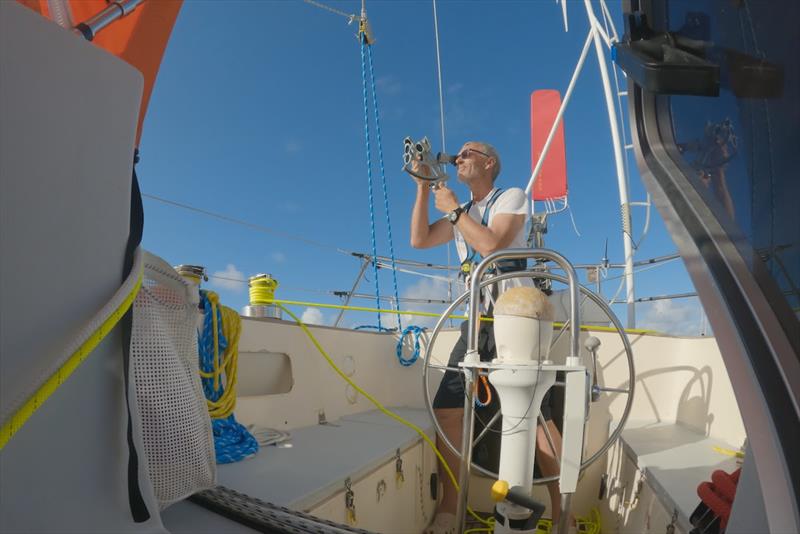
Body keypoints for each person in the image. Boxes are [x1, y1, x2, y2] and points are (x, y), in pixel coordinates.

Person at [410, 141, 565, 533]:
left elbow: (492, 244)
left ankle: (565, 514)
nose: (459, 157)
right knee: (446, 409)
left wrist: (454, 208)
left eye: (467, 152)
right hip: (476, 321)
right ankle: (450, 509)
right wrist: (422, 186)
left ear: (489, 162)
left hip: (517, 316)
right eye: (457, 155)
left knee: (538, 418)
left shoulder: (510, 197)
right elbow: (419, 239)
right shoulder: (461, 213)